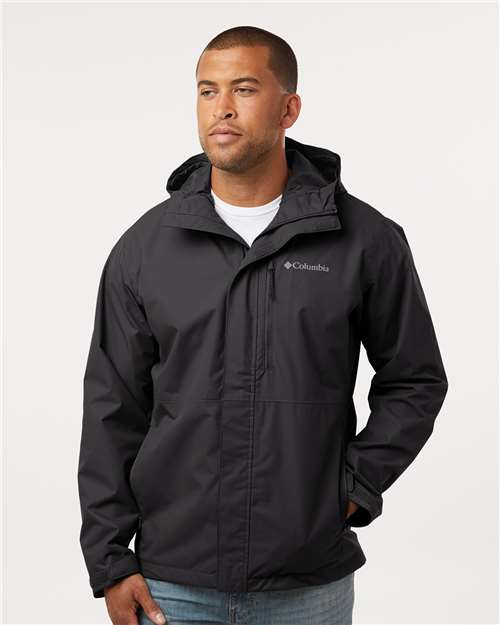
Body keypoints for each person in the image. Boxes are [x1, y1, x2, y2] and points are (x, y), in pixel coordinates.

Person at [77, 25, 448, 625]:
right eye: (207, 90)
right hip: (172, 582)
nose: (221, 108)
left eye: (244, 89)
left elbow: (416, 380)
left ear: (288, 109)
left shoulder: (364, 241)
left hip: (308, 584)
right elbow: (111, 409)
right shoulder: (145, 248)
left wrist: (352, 490)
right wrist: (111, 561)